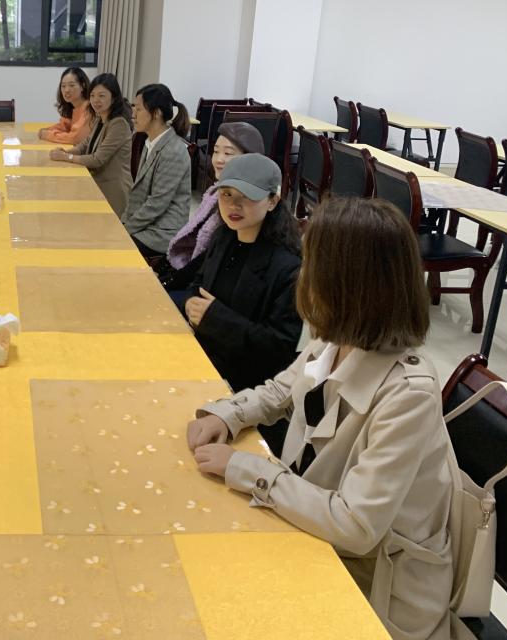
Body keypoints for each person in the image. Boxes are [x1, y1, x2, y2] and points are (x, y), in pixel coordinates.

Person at [187, 196, 459, 640]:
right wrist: (227, 414)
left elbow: (356, 526)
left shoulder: (408, 394)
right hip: (321, 538)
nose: (302, 275)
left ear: (345, 285)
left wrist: (246, 468)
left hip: (376, 587)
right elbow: (282, 391)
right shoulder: (337, 339)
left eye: (311, 265)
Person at [180, 153, 303, 398]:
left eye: (246, 196)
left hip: (244, 386)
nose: (233, 205)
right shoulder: (223, 237)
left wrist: (216, 319)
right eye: (226, 194)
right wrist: (191, 302)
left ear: (272, 201)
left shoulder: (289, 268)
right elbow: (198, 283)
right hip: (200, 356)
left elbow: (280, 349)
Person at [159, 122, 265, 289]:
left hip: (211, 285)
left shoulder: (246, 206)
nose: (219, 159)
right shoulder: (214, 192)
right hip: (188, 270)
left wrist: (168, 282)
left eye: (228, 153)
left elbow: (208, 259)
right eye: (216, 151)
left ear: (250, 159)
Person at [120, 83, 192, 257]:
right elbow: (140, 195)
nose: (133, 115)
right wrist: (123, 223)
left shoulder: (173, 151)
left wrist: (125, 229)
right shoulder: (150, 142)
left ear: (156, 113)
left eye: (139, 109)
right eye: (133, 108)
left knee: (115, 248)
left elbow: (157, 203)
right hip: (148, 224)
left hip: (162, 232)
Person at [49, 72, 132, 217]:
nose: (95, 100)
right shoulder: (100, 118)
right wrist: (66, 151)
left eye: (102, 96)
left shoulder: (118, 124)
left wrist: (66, 157)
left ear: (113, 98)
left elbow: (97, 159)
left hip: (112, 190)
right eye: (92, 96)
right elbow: (84, 145)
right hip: (96, 182)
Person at [38, 67, 93, 145]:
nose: (66, 90)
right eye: (63, 86)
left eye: (71, 85)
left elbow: (75, 138)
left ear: (82, 86)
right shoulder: (73, 107)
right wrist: (46, 130)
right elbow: (64, 126)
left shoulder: (90, 109)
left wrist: (46, 135)